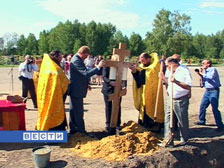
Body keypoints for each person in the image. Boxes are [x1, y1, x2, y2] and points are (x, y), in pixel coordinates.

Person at [69, 46, 105, 135]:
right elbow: (86, 73)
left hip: (76, 89)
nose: (86, 58)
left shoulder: (77, 59)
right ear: (83, 53)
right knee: (78, 111)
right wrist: (98, 67)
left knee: (74, 110)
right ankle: (80, 131)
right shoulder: (76, 60)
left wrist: (86, 84)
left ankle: (74, 130)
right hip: (76, 90)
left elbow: (80, 74)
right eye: (86, 56)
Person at [160, 57, 192, 147]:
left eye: (167, 65)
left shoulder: (184, 71)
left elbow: (188, 86)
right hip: (170, 98)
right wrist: (163, 79)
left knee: (182, 119)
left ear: (173, 64)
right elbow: (169, 83)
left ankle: (184, 139)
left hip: (181, 99)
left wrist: (176, 81)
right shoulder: (169, 71)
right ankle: (168, 139)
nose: (166, 67)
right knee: (168, 119)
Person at [130, 52, 164, 132]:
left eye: (144, 61)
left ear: (148, 59)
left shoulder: (154, 67)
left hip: (154, 93)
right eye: (141, 61)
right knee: (144, 110)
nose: (142, 63)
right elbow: (140, 81)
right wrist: (135, 72)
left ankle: (154, 127)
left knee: (153, 109)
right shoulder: (142, 68)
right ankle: (144, 126)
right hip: (144, 93)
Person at [36, 51, 69, 130]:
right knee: (55, 113)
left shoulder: (46, 66)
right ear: (56, 57)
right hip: (55, 95)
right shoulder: (56, 68)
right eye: (60, 57)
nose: (61, 59)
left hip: (45, 95)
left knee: (46, 112)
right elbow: (64, 82)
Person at [195, 59, 223, 131]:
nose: (202, 65)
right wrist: (200, 76)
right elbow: (204, 81)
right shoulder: (205, 72)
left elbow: (210, 77)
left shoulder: (213, 69)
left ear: (208, 64)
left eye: (203, 63)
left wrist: (202, 73)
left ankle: (220, 125)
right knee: (202, 106)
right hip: (207, 91)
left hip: (214, 91)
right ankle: (202, 120)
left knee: (214, 108)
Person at [101, 54, 127, 135]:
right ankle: (108, 124)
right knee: (108, 107)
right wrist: (110, 82)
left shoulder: (122, 66)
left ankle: (117, 124)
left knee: (117, 106)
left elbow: (124, 78)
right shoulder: (107, 66)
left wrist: (124, 86)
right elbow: (104, 77)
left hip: (118, 89)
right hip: (108, 89)